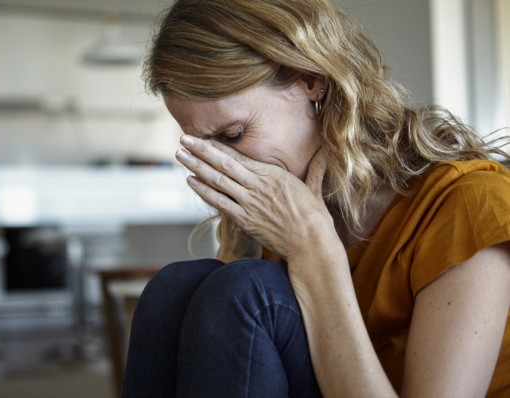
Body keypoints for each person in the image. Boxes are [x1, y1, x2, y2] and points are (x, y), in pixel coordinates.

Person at [122, 0, 510, 396]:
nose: (222, 164)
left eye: (234, 135)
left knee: (247, 292)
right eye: (202, 146)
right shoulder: (277, 208)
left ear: (310, 79)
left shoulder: (469, 202)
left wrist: (312, 244)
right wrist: (242, 241)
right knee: (175, 287)